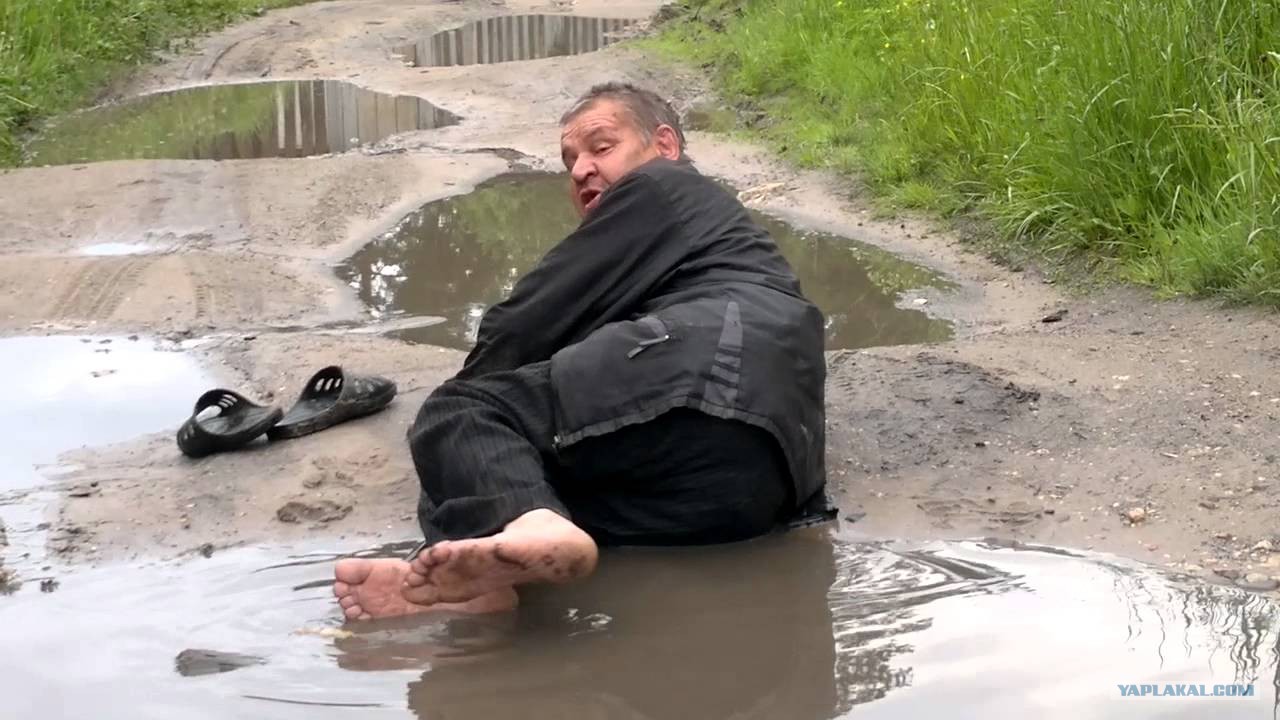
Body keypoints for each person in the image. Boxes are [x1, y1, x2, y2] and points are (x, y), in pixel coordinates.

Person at [333, 82, 833, 621]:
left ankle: (522, 527)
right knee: (514, 484)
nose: (579, 170)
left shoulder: (660, 187)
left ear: (665, 145)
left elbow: (523, 324)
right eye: (569, 160)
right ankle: (492, 576)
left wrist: (460, 420)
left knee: (459, 417)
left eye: (601, 147)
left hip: (699, 371)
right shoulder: (724, 240)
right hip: (759, 486)